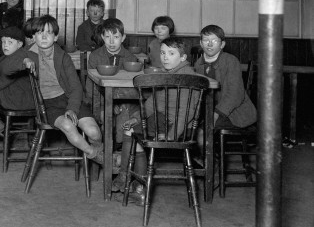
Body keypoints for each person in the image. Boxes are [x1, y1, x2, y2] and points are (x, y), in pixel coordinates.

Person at [112, 37, 199, 206]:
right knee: (131, 129)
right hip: (162, 120)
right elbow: (152, 103)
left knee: (133, 135)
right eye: (163, 52)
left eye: (171, 53)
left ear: (183, 58)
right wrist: (136, 118)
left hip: (176, 126)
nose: (165, 57)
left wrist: (171, 136)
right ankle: (135, 183)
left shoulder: (188, 77)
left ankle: (132, 181)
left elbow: (185, 113)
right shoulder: (164, 73)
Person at [28, 15, 106, 165]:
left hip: (68, 99)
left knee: (94, 132)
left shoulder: (63, 57)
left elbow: (76, 86)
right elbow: (7, 63)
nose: (44, 36)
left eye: (49, 33)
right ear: (33, 36)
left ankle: (100, 154)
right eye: (39, 32)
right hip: (47, 104)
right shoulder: (26, 54)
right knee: (68, 125)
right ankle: (97, 156)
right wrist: (25, 60)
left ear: (56, 37)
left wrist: (72, 108)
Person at [193, 25, 257, 129]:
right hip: (208, 111)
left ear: (222, 44)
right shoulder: (198, 64)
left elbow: (235, 95)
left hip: (233, 112)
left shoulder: (230, 61)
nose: (209, 44)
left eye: (214, 40)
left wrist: (215, 114)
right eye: (206, 40)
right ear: (201, 43)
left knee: (202, 132)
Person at [0, 27, 37, 136]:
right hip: (15, 93)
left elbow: (4, 80)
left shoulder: (19, 55)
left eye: (10, 42)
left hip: (19, 99)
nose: (5, 45)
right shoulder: (7, 56)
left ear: (19, 44)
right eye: (3, 42)